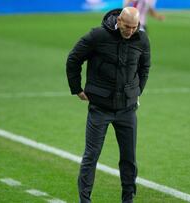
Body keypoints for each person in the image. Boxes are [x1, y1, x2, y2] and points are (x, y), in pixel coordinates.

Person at [66, 7, 150, 203]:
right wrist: (76, 88)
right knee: (91, 156)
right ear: (119, 21)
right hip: (100, 109)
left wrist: (137, 91)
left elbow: (145, 66)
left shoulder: (142, 39)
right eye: (127, 26)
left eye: (134, 27)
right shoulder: (97, 36)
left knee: (129, 159)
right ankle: (84, 200)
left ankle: (128, 200)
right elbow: (73, 59)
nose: (130, 31)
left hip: (127, 110)